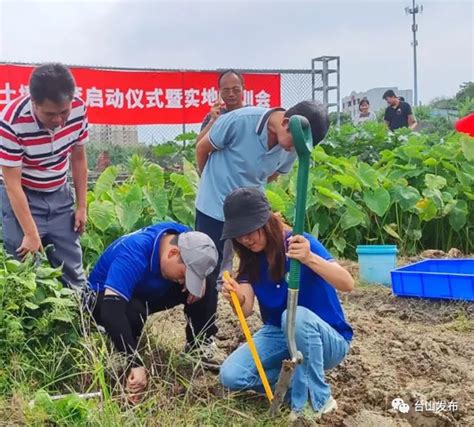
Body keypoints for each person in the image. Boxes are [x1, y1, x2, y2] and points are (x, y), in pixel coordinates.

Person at [194, 101, 329, 363]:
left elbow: (273, 175)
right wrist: (209, 182)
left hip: (251, 215)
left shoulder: (294, 143)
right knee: (206, 272)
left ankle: (269, 327)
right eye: (292, 143)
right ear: (287, 124)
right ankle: (200, 340)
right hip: (213, 205)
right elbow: (202, 148)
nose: (291, 150)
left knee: (250, 264)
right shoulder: (239, 121)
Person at [219, 187, 354, 422]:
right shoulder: (251, 258)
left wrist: (309, 258)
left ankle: (319, 400)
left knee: (295, 316)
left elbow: (347, 283)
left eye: (251, 230)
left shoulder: (299, 243)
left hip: (325, 339)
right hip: (280, 334)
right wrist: (234, 296)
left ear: (267, 220)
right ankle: (296, 391)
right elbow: (246, 307)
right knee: (231, 375)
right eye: (239, 234)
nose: (246, 239)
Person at [86, 222, 218, 403]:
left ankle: (199, 345)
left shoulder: (182, 237)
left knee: (208, 285)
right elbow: (111, 311)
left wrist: (199, 280)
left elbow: (197, 268)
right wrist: (135, 362)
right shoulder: (134, 252)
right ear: (173, 253)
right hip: (105, 299)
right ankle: (122, 356)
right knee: (133, 310)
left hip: (147, 290)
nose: (183, 281)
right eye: (184, 275)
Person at [0, 63, 88, 290]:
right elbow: (12, 184)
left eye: (64, 112)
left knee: (72, 271)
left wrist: (82, 206)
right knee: (26, 273)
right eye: (50, 114)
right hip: (23, 198)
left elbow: (78, 158)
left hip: (59, 195)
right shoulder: (12, 121)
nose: (59, 120)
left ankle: (79, 320)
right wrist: (30, 233)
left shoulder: (78, 109)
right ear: (34, 102)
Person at [196, 69, 245, 143]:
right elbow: (199, 145)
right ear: (220, 91)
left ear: (243, 88)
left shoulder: (252, 115)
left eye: (236, 89)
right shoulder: (213, 116)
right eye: (226, 90)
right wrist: (212, 121)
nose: (231, 94)